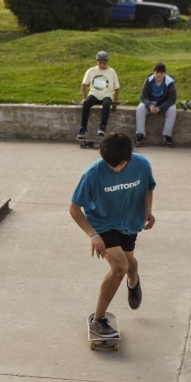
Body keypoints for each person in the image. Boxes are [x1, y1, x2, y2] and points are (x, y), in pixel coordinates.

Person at [69, 132, 156, 338]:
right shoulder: (93, 173)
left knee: (129, 262)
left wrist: (148, 210)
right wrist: (93, 235)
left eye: (120, 165)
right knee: (119, 267)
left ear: (129, 157)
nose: (115, 169)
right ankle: (98, 320)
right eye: (110, 165)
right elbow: (74, 209)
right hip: (102, 223)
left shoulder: (142, 165)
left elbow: (148, 188)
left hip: (130, 222)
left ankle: (133, 280)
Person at [76, 51, 120, 139]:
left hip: (106, 94)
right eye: (100, 63)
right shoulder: (91, 71)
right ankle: (83, 129)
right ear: (97, 62)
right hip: (94, 94)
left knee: (107, 103)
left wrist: (115, 100)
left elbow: (117, 87)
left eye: (104, 63)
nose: (102, 65)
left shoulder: (111, 72)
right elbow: (84, 84)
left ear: (107, 62)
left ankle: (102, 127)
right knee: (86, 103)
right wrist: (84, 98)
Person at [135, 62, 177, 147]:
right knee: (140, 108)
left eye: (161, 73)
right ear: (153, 72)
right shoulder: (148, 80)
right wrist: (150, 106)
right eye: (157, 72)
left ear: (164, 74)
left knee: (172, 109)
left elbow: (172, 99)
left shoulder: (170, 82)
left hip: (163, 104)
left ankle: (167, 136)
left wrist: (161, 108)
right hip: (150, 103)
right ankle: (140, 135)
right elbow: (143, 96)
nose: (159, 75)